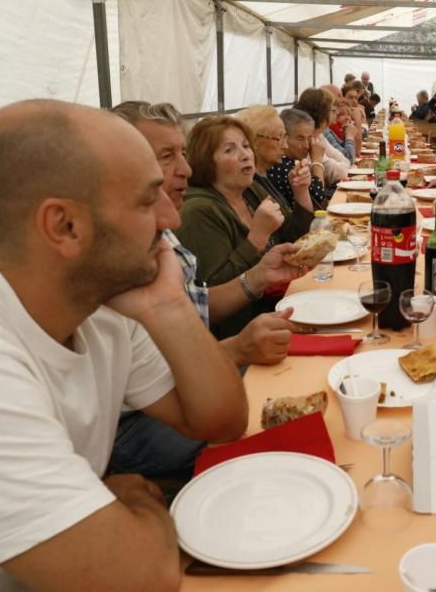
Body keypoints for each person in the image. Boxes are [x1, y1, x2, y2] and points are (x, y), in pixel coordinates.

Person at [0, 100, 249, 590]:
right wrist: (131, 499)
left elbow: (223, 420)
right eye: (148, 201)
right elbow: (144, 578)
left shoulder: (102, 299)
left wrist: (169, 307)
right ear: (64, 226)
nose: (171, 217)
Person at [109, 101, 305, 482]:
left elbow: (200, 306)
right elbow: (159, 379)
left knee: (296, 388)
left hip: (179, 382)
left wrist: (260, 277)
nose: (185, 169)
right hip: (137, 423)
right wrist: (235, 350)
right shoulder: (122, 247)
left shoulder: (162, 227)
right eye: (167, 156)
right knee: (278, 425)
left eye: (182, 153)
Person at [176, 116, 313, 340]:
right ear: (205, 161)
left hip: (279, 308)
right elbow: (213, 297)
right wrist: (257, 238)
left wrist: (301, 192)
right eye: (229, 150)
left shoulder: (251, 191)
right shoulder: (198, 211)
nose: (245, 155)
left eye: (246, 146)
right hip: (243, 335)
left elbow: (297, 241)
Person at [236, 105, 316, 216]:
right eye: (279, 138)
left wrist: (301, 191)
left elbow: (295, 229)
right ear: (254, 141)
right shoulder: (248, 186)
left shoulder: (263, 176)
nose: (285, 146)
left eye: (285, 137)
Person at [273, 107, 328, 208]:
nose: (307, 146)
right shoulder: (281, 165)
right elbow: (319, 198)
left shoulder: (291, 161)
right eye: (300, 139)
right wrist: (317, 160)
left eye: (309, 138)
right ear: (284, 137)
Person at [296, 86, 350, 187]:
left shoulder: (319, 135)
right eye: (332, 110)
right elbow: (340, 172)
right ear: (322, 114)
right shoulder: (308, 140)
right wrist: (350, 136)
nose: (337, 112)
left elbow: (345, 160)